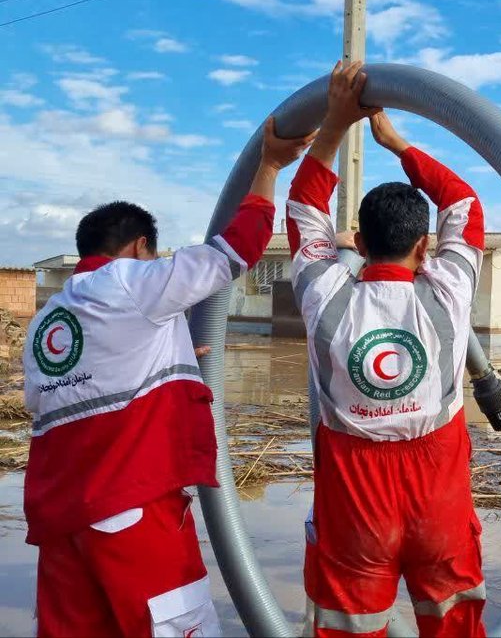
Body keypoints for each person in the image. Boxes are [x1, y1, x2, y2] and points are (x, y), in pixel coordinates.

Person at [22, 118, 313, 636]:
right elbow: (240, 246)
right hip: (130, 508)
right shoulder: (133, 279)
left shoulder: (50, 319)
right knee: (172, 625)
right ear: (138, 247)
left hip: (62, 521)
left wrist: (173, 357)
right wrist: (268, 165)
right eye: (153, 254)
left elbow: (72, 392)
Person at [291, 62, 486, 638]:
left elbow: (304, 207)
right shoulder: (450, 290)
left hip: (354, 493)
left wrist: (333, 125)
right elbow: (465, 202)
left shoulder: (322, 291)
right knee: (452, 621)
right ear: (424, 246)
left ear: (357, 240)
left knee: (352, 624)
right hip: (438, 485)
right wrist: (396, 141)